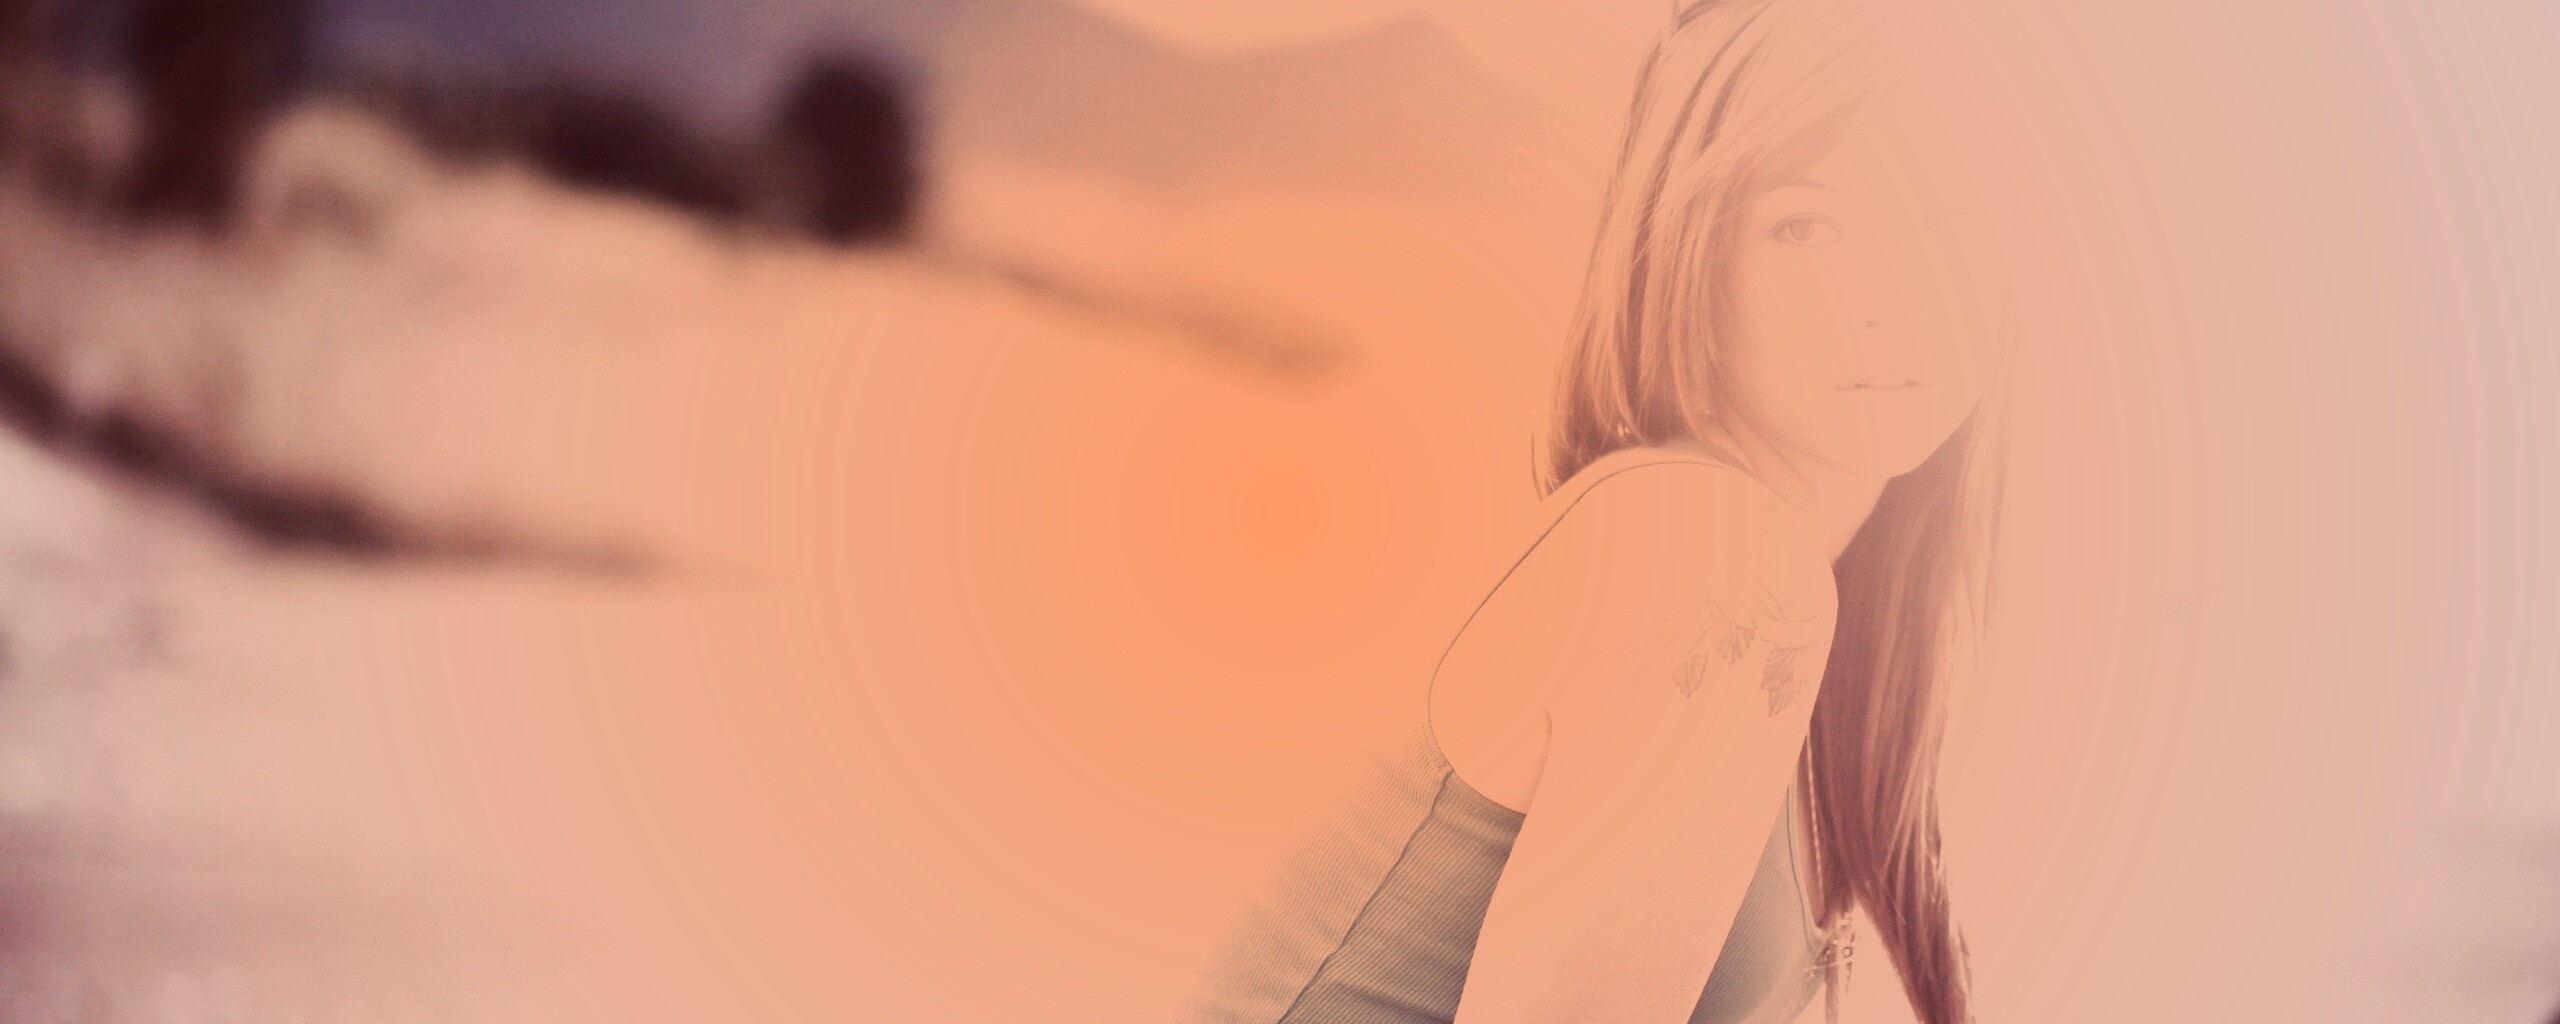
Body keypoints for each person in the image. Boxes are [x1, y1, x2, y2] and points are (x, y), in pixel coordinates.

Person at [1182, 0, 2008, 1022]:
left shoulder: (1786, 600)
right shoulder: (1714, 555)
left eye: (1946, 219)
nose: (1890, 291)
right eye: (1807, 225)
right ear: (1689, 260)